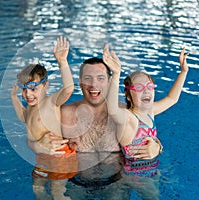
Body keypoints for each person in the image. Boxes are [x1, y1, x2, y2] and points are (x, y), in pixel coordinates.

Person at [38, 55, 163, 199]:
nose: (93, 85)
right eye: (87, 78)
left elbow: (145, 133)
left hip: (116, 183)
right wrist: (40, 144)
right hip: (76, 182)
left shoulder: (124, 114)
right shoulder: (64, 114)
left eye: (100, 78)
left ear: (110, 82)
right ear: (80, 82)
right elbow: (43, 146)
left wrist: (157, 148)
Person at [103, 44, 189, 199]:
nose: (146, 90)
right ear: (128, 96)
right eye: (139, 87)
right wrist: (116, 74)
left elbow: (172, 98)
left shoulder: (150, 112)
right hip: (135, 176)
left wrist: (183, 72)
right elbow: (112, 109)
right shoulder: (128, 118)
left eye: (150, 86)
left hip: (150, 169)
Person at [10, 36, 77, 200]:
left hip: (60, 157)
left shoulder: (51, 103)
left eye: (33, 88)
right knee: (37, 188)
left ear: (45, 85)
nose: (28, 94)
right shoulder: (29, 110)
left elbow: (68, 89)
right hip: (42, 158)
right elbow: (21, 117)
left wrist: (62, 62)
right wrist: (13, 96)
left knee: (57, 192)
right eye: (24, 89)